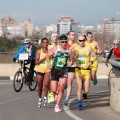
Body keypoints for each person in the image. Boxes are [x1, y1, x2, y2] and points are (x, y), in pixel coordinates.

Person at [46, 35, 73, 112]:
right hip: (55, 71)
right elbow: (48, 56)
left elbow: (72, 59)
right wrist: (48, 63)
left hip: (63, 71)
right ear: (59, 42)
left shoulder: (69, 51)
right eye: (62, 42)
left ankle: (57, 106)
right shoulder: (55, 49)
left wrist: (70, 62)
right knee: (54, 90)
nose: (64, 43)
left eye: (66, 42)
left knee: (61, 88)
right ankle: (54, 94)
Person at [72, 35, 97, 110]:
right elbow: (71, 56)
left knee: (86, 91)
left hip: (86, 71)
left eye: (83, 40)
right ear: (77, 41)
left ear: (85, 40)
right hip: (78, 70)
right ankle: (80, 103)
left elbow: (95, 56)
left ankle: (84, 83)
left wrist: (91, 62)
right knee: (79, 87)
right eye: (80, 40)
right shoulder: (75, 49)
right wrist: (72, 57)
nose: (82, 42)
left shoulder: (89, 48)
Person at [64, 31, 78, 106]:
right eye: (72, 35)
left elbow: (78, 55)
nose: (73, 36)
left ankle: (67, 98)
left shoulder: (76, 45)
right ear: (68, 36)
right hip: (64, 64)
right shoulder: (65, 45)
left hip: (72, 65)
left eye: (74, 35)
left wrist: (73, 60)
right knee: (61, 83)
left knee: (70, 81)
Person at [35, 38, 50, 107]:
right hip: (40, 70)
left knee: (46, 84)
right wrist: (44, 58)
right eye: (44, 42)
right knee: (40, 86)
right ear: (41, 43)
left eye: (46, 42)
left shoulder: (50, 51)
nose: (45, 44)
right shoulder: (39, 51)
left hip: (47, 70)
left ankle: (45, 98)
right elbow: (36, 62)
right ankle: (40, 99)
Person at [47, 33, 59, 103]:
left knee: (56, 81)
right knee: (48, 81)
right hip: (49, 65)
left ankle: (56, 93)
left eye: (56, 37)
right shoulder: (48, 47)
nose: (55, 38)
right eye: (54, 37)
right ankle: (50, 94)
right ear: (51, 38)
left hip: (57, 66)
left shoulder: (59, 47)